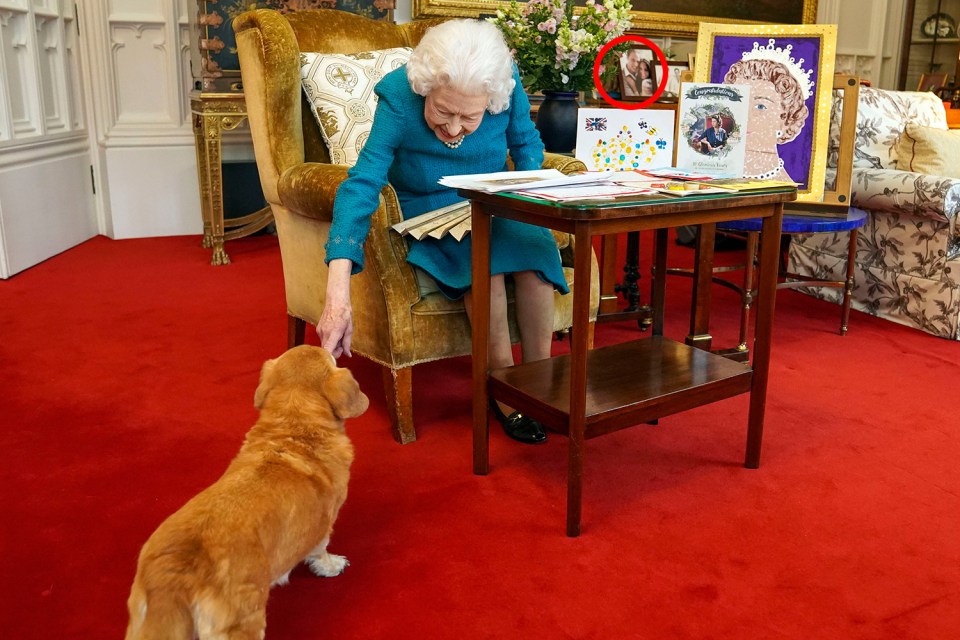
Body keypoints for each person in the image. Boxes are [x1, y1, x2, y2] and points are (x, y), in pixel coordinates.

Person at [318, 19, 568, 445]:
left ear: (491, 98)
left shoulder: (504, 83)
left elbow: (526, 148)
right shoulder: (399, 94)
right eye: (442, 112)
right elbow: (362, 182)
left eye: (469, 116)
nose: (454, 129)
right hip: (428, 205)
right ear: (425, 88)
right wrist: (337, 287)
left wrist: (535, 206)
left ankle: (537, 384)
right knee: (484, 270)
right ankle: (504, 389)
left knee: (536, 264)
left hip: (494, 198)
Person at [724, 45, 810, 182]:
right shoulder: (710, 175)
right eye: (738, 103)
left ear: (786, 119)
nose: (744, 116)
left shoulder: (784, 187)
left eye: (760, 106)